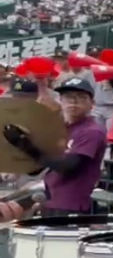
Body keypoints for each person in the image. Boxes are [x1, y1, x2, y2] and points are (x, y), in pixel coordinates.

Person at [3, 77, 107, 215]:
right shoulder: (62, 128)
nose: (74, 102)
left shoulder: (91, 131)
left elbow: (67, 167)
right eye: (68, 97)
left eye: (81, 97)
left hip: (71, 203)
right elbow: (39, 167)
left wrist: (25, 145)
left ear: (92, 103)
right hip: (50, 196)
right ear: (61, 101)